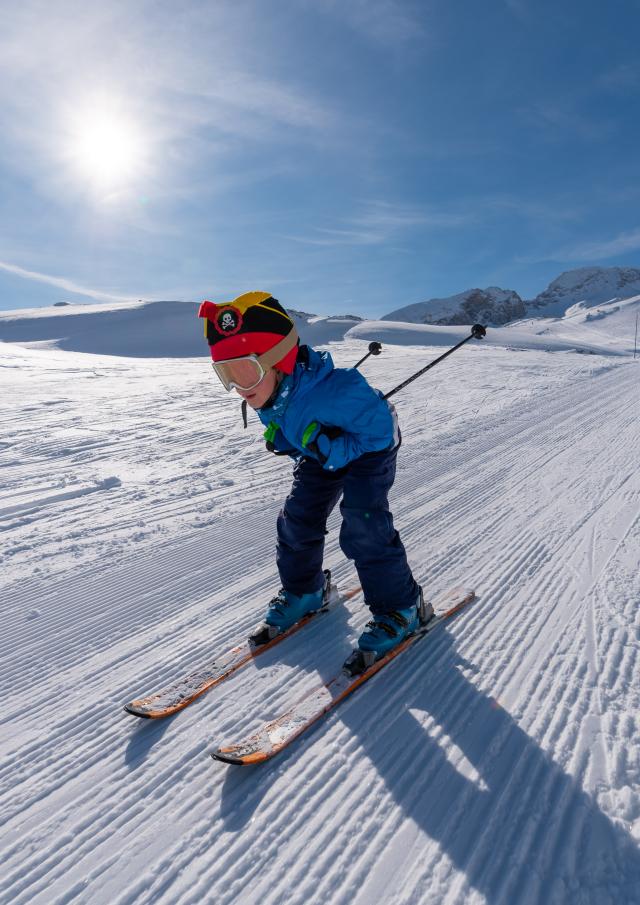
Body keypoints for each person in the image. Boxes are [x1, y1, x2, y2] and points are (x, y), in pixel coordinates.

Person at [198, 291, 432, 669]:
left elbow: (381, 431)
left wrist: (334, 449)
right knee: (297, 517)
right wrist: (288, 439)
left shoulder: (339, 390)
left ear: (278, 361)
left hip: (368, 452)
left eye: (245, 371)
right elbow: (292, 421)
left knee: (362, 521)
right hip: (320, 453)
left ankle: (403, 607)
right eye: (227, 374)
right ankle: (306, 590)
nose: (239, 386)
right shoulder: (269, 390)